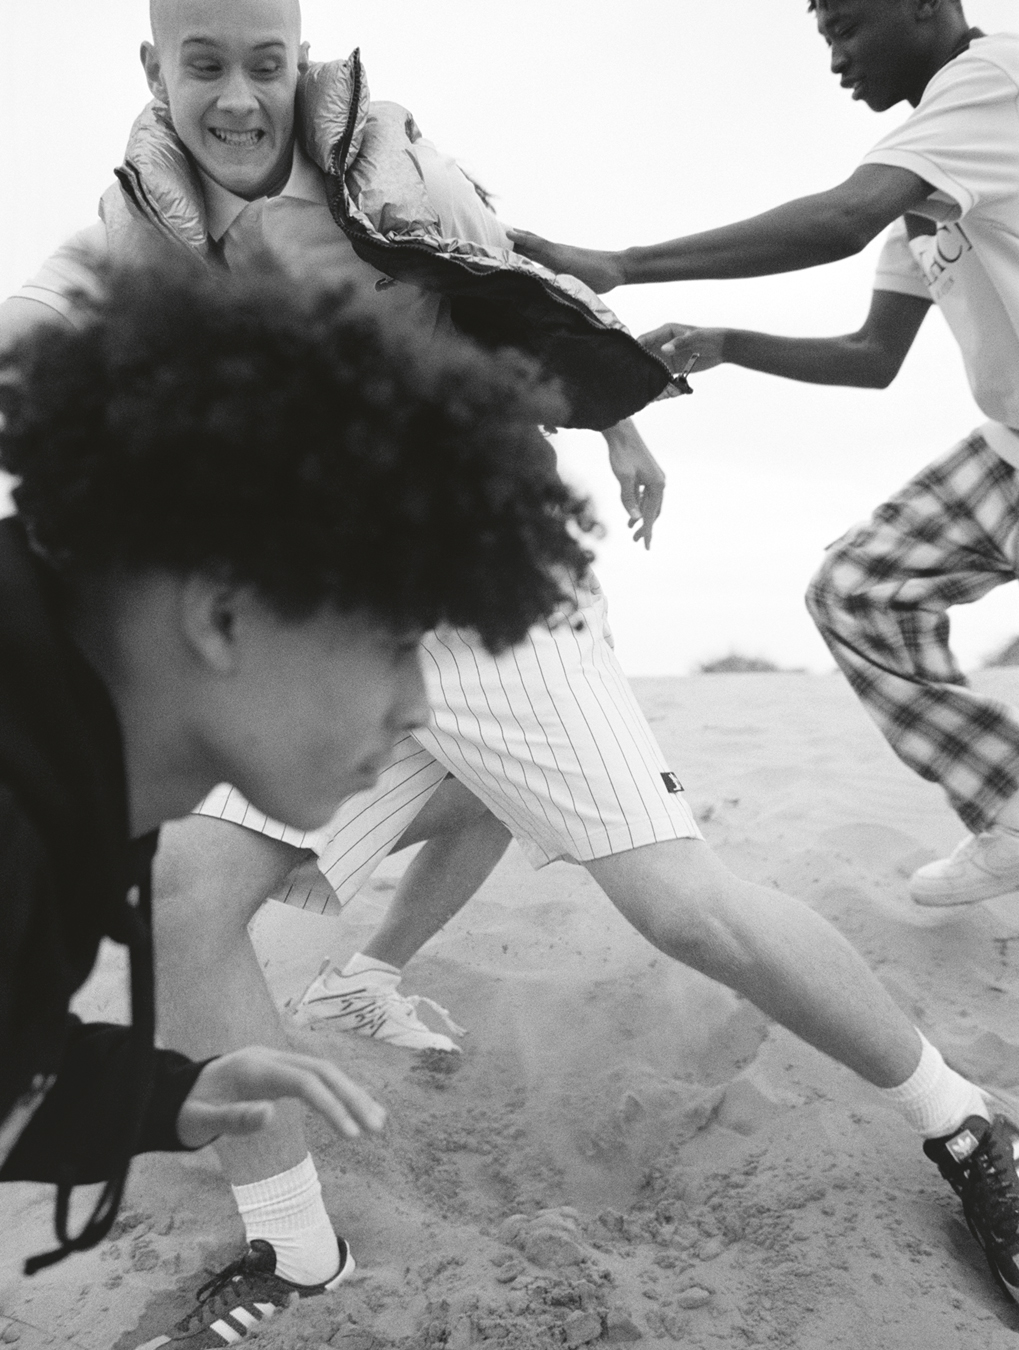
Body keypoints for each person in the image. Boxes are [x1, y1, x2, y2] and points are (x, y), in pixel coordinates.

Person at [10, 0, 1016, 1337]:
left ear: (298, 58)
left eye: (264, 63)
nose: (239, 99)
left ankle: (961, 1127)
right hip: (341, 626)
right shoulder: (141, 209)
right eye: (205, 67)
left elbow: (528, 292)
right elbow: (46, 311)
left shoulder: (383, 156)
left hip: (489, 598)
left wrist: (620, 428)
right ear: (156, 70)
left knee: (681, 906)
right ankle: (297, 1250)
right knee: (187, 893)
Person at [508, 0, 1019, 1303]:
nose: (832, 52)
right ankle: (1008, 802)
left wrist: (620, 261)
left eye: (844, 21)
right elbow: (867, 354)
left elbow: (830, 216)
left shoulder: (993, 79)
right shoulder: (928, 173)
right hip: (1009, 459)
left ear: (926, 5)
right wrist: (728, 347)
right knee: (857, 587)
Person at [0, 251, 593, 1309]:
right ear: (225, 613)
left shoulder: (85, 754)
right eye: (393, 642)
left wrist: (164, 1102)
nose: (418, 705)